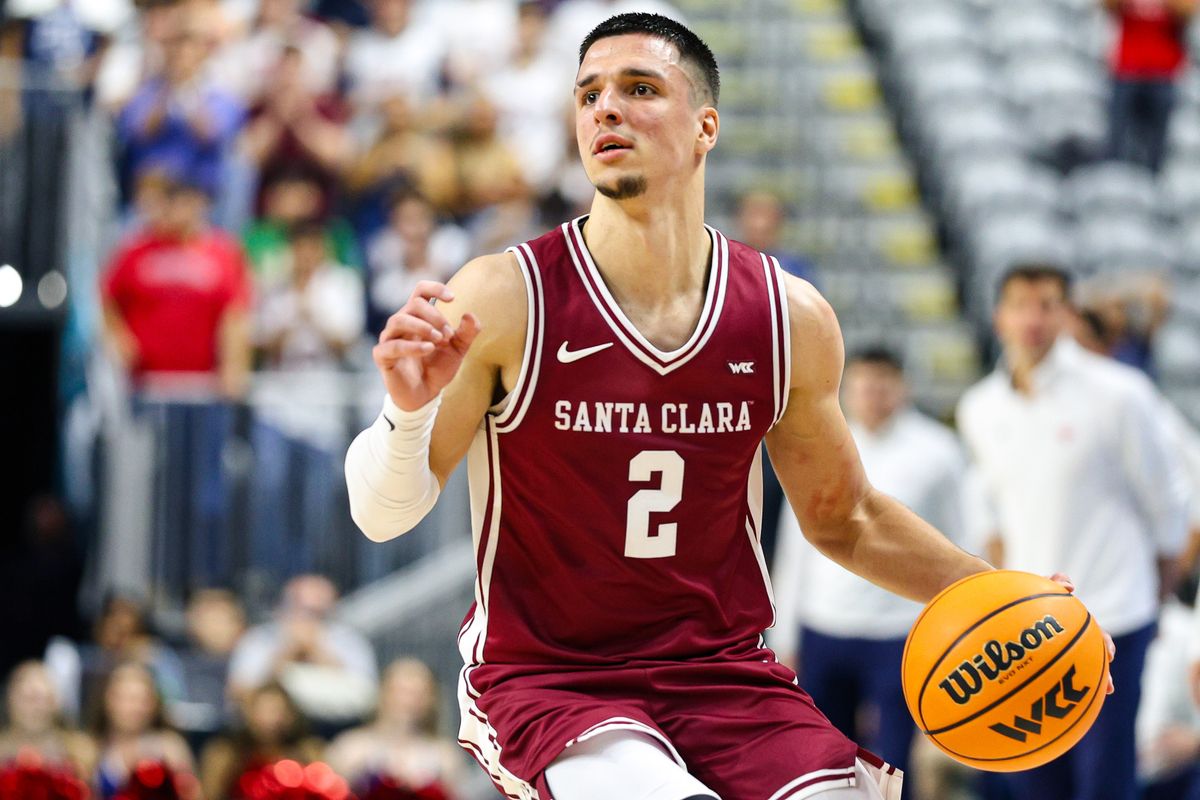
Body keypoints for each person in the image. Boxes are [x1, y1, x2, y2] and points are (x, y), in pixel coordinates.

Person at [344, 14, 1102, 800]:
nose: (606, 109)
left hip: (722, 675)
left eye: (640, 89)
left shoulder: (786, 317)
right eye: (589, 94)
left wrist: (1007, 599)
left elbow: (848, 518)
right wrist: (404, 415)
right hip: (551, 678)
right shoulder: (506, 296)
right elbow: (382, 515)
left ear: (707, 126)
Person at [957, 263, 1189, 800]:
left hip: (1114, 617)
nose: (1033, 318)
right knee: (1035, 784)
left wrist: (1151, 595)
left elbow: (1168, 507)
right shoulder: (980, 408)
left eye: (1046, 305)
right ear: (999, 318)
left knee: (1104, 784)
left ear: (1065, 314)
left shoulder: (1121, 394)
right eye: (1020, 305)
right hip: (1029, 632)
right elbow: (991, 515)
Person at [771, 347, 965, 784]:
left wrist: (951, 631)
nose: (873, 395)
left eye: (883, 384)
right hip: (825, 625)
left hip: (900, 631)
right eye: (863, 385)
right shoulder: (819, 442)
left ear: (902, 387)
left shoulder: (938, 451)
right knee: (822, 758)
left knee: (896, 761)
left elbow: (957, 542)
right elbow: (795, 544)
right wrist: (783, 633)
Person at [226, 575, 377, 733]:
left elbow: (368, 698)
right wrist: (287, 653)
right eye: (303, 610)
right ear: (283, 607)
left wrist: (317, 652)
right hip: (265, 734)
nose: (308, 620)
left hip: (335, 731)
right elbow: (240, 693)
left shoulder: (349, 640)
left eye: (320, 613)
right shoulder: (259, 639)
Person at [326, 658, 464, 797]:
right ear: (383, 693)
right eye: (401, 691)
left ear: (431, 699)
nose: (409, 701)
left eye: (419, 693)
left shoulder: (444, 757)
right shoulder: (350, 749)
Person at [1103, 0, 1198, 172]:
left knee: (1157, 140)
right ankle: (1114, 179)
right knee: (1118, 136)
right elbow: (1107, 7)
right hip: (1127, 69)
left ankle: (1153, 179)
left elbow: (1189, 11)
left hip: (1163, 72)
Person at [198, 680, 324, 800]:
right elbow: (209, 795)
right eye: (266, 710)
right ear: (249, 713)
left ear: (291, 716)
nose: (273, 719)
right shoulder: (225, 754)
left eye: (279, 711)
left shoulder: (308, 753)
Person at [0, 661, 97, 779]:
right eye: (30, 698)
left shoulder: (80, 751)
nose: (36, 708)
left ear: (56, 703)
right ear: (10, 701)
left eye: (44, 699)